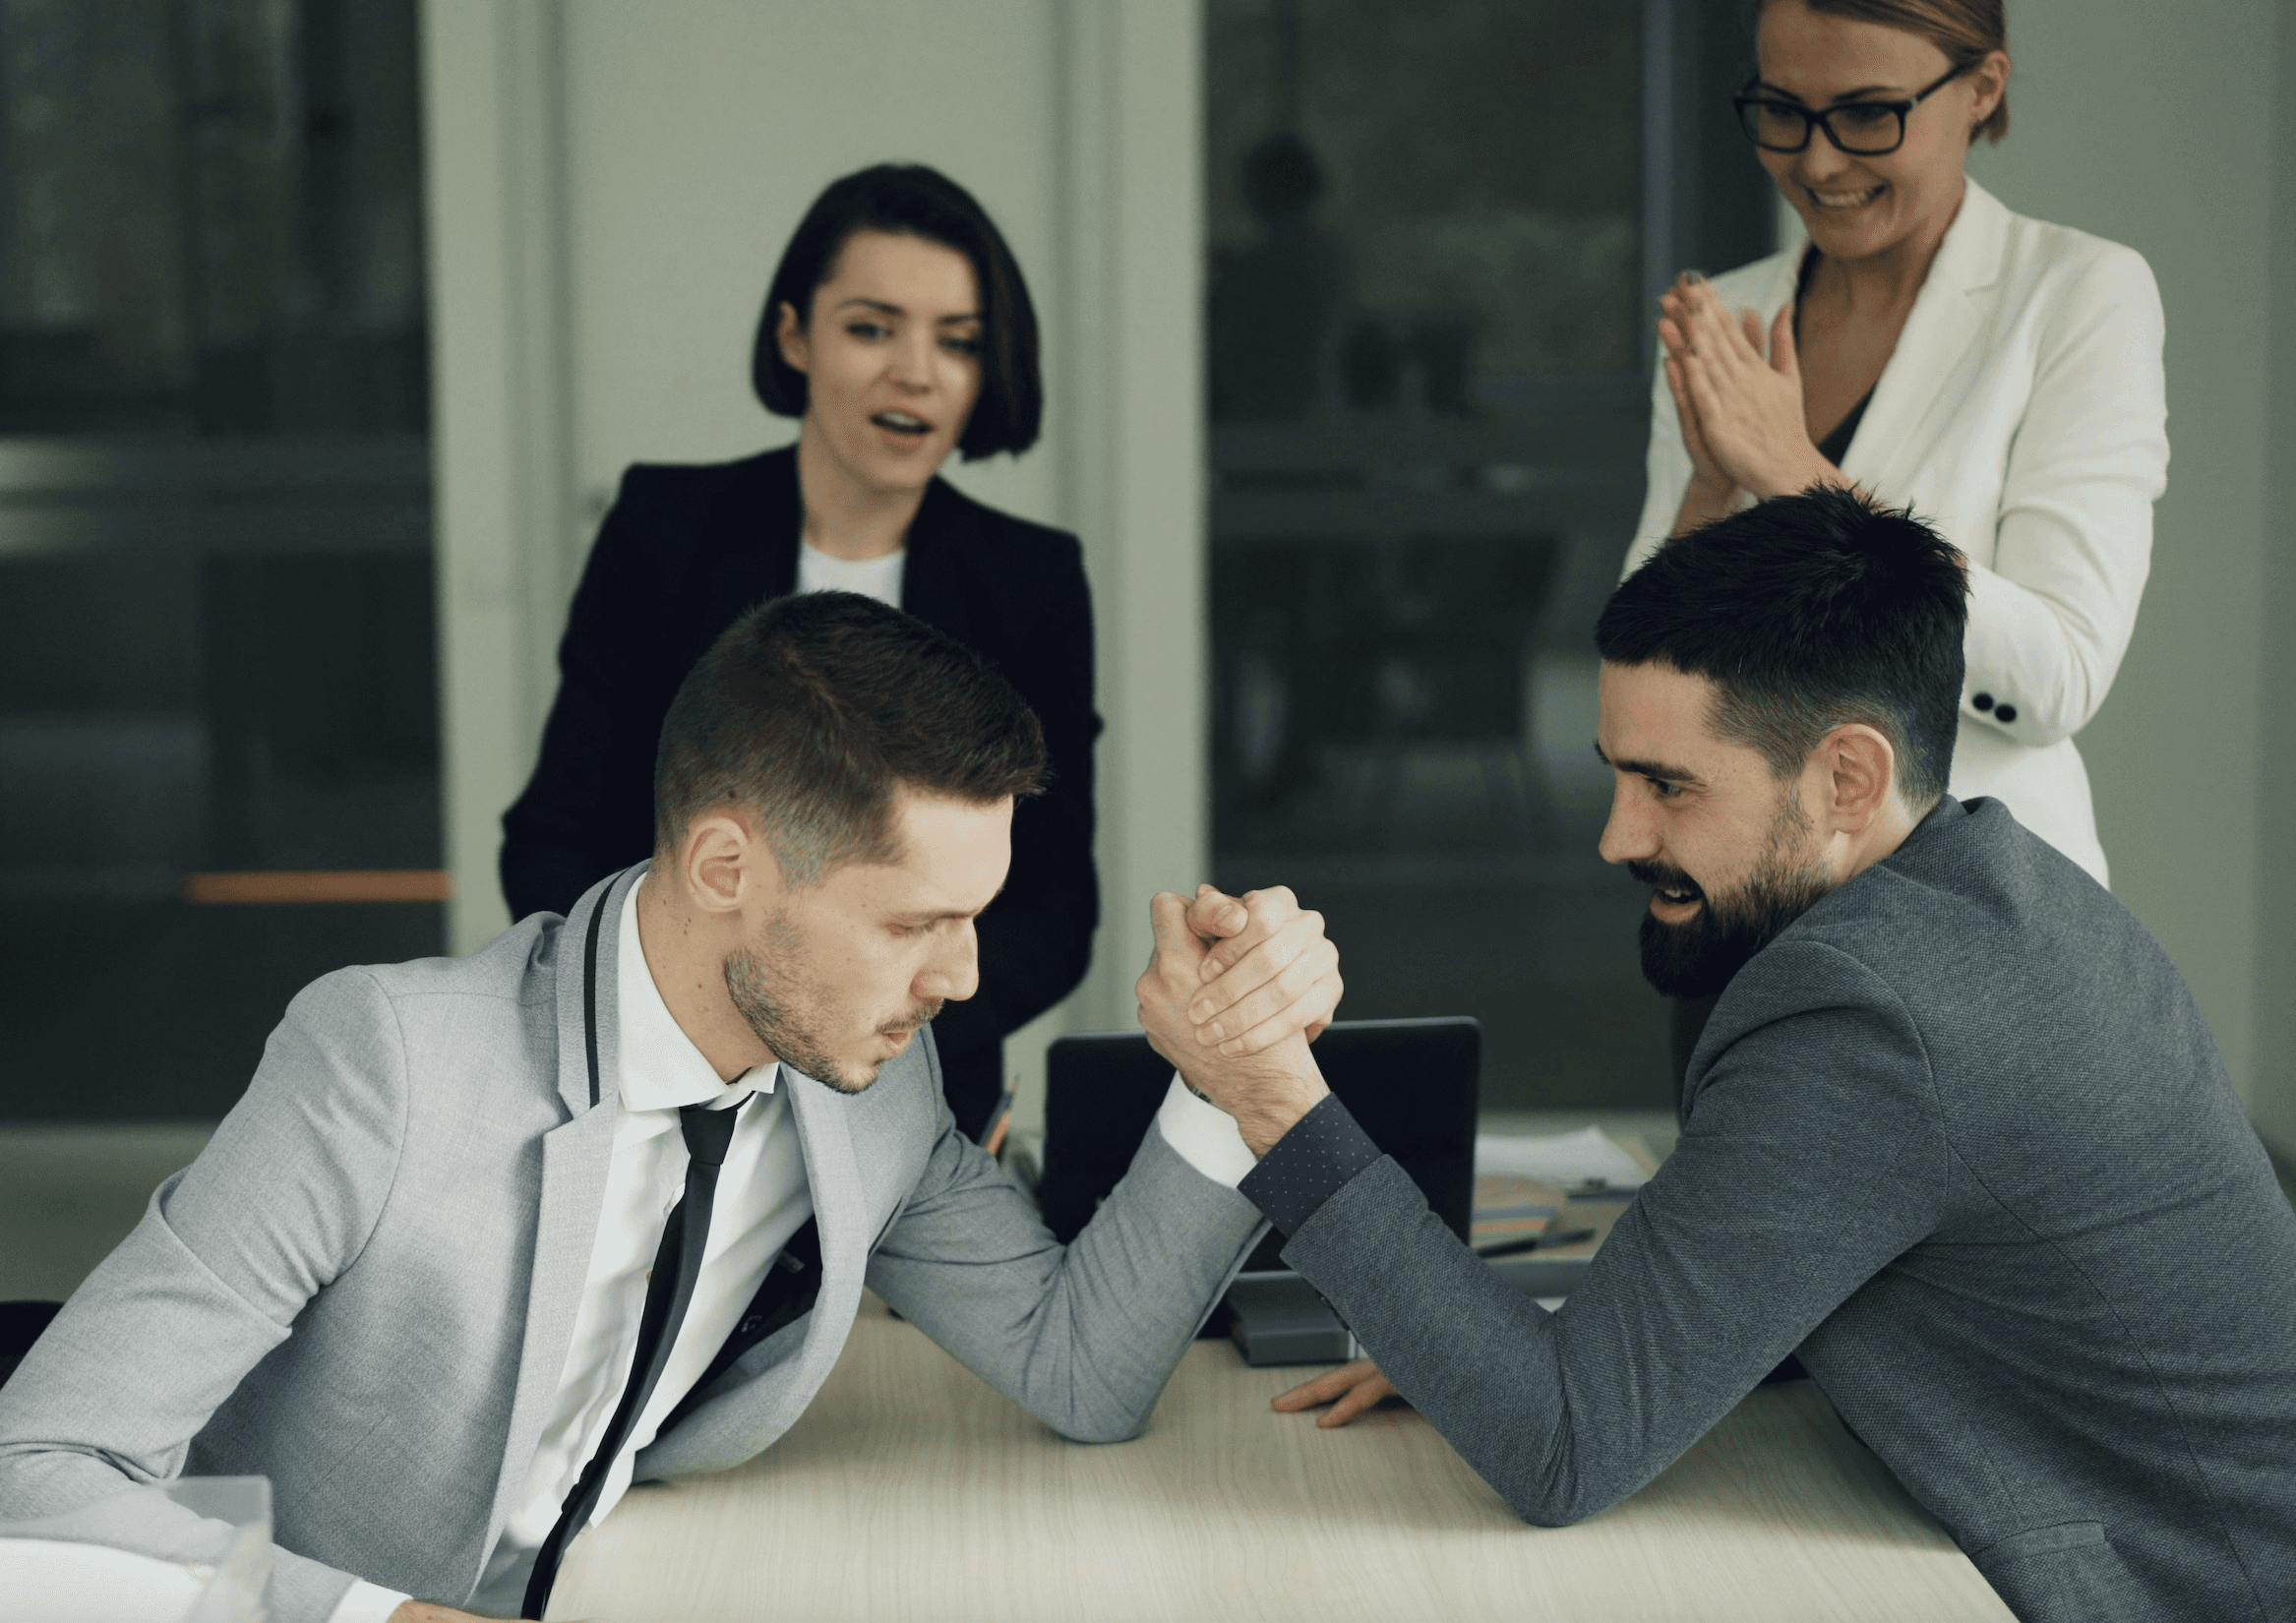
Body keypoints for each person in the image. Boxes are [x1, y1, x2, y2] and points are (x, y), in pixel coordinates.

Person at [0, 593, 1339, 1623]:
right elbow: (35, 1470)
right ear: (722, 864)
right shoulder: (386, 1063)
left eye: (973, 917)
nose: (966, 976)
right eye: (914, 921)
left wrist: (1236, 1080)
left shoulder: (866, 1079)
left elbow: (1079, 1368)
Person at [1138, 491, 2296, 1623]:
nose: (1618, 836)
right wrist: (1472, 1350)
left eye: (1669, 787)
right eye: (1616, 772)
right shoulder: (1999, 888)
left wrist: (1270, 1095)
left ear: (1848, 777)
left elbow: (1561, 1448)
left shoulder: (1873, 1014)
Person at [500, 162, 1098, 1141]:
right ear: (794, 335)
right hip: (661, 1077)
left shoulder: (1032, 581)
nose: (915, 371)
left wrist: (881, 1023)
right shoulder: (664, 528)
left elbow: (1053, 903)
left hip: (907, 1087)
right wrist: (678, 1024)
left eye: (958, 342)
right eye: (872, 327)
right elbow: (557, 835)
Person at [1626, 0, 2166, 893]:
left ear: (1983, 88)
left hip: (1975, 924)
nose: (1818, 160)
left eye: (1869, 113)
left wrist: (1793, 473)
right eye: (1782, 110)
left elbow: (2057, 676)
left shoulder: (2078, 296)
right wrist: (1711, 493)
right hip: (1742, 918)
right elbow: (1643, 686)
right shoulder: (1725, 316)